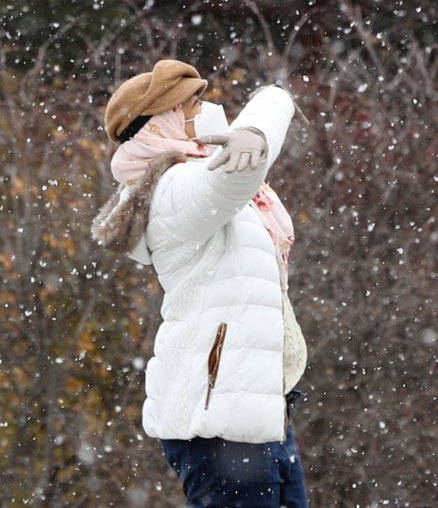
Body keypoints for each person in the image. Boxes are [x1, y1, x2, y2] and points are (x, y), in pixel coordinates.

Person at [92, 58, 310, 507]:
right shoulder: (171, 187)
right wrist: (266, 114)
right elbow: (241, 173)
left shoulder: (189, 173)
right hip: (219, 425)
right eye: (195, 103)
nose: (210, 110)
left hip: (256, 413)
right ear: (164, 121)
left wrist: (274, 103)